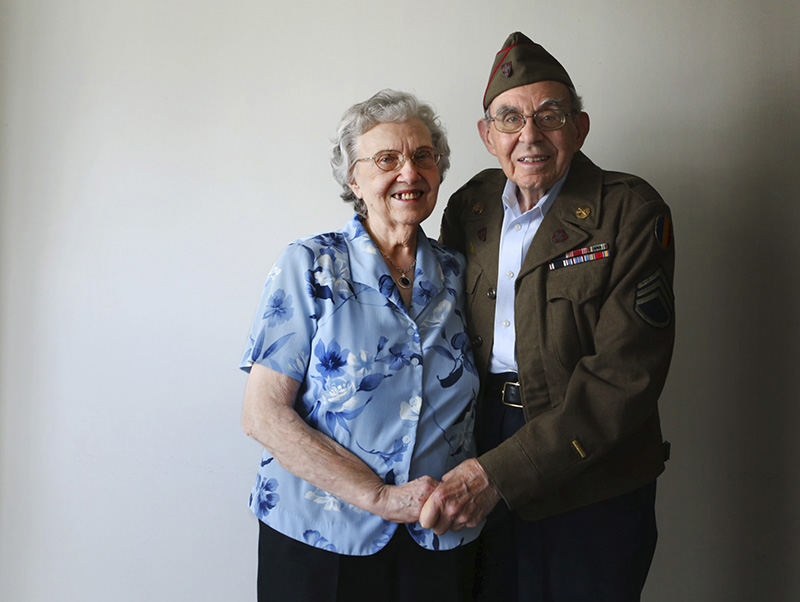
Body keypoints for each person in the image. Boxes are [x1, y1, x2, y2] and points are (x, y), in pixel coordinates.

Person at [421, 32, 676, 601]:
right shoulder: (471, 208)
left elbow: (624, 378)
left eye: (549, 115)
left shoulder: (629, 212)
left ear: (579, 127)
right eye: (509, 119)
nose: (529, 136)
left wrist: (498, 475)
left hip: (591, 463)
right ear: (488, 136)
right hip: (479, 440)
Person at [239, 89, 482, 602]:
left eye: (422, 156)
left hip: (438, 536)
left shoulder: (462, 273)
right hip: (320, 537)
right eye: (387, 159)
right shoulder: (310, 266)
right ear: (354, 179)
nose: (409, 173)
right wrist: (379, 496)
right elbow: (263, 415)